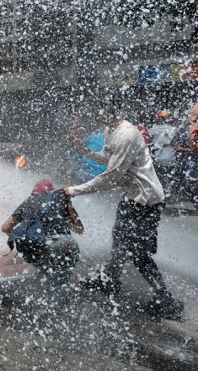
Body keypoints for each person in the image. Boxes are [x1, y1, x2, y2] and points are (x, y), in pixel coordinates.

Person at [64, 98, 184, 321]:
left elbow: (111, 176)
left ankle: (166, 300)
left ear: (108, 111)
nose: (94, 116)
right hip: (131, 197)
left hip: (146, 202)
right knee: (119, 240)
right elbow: (108, 158)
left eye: (96, 111)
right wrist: (83, 150)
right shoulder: (110, 129)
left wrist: (73, 190)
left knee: (140, 255)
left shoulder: (127, 135)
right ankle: (109, 280)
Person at [1, 179, 84, 285]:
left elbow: (5, 227)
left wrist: (20, 237)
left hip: (46, 244)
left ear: (35, 191)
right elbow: (79, 229)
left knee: (42, 277)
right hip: (68, 242)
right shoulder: (62, 199)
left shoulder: (30, 201)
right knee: (64, 277)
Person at [149, 109, 179, 199]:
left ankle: (159, 195)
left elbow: (145, 138)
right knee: (168, 178)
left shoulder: (152, 129)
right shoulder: (173, 129)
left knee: (158, 178)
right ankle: (167, 193)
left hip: (158, 158)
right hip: (170, 158)